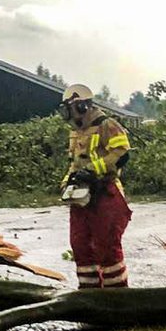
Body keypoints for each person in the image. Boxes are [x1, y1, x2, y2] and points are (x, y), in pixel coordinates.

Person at [59, 84, 132, 289]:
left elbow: (122, 154)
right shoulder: (76, 132)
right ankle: (88, 295)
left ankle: (117, 295)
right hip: (81, 194)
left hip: (105, 190)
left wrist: (94, 170)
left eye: (70, 108)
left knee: (106, 245)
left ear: (82, 106)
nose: (68, 114)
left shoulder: (106, 125)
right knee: (80, 244)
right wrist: (67, 182)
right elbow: (74, 163)